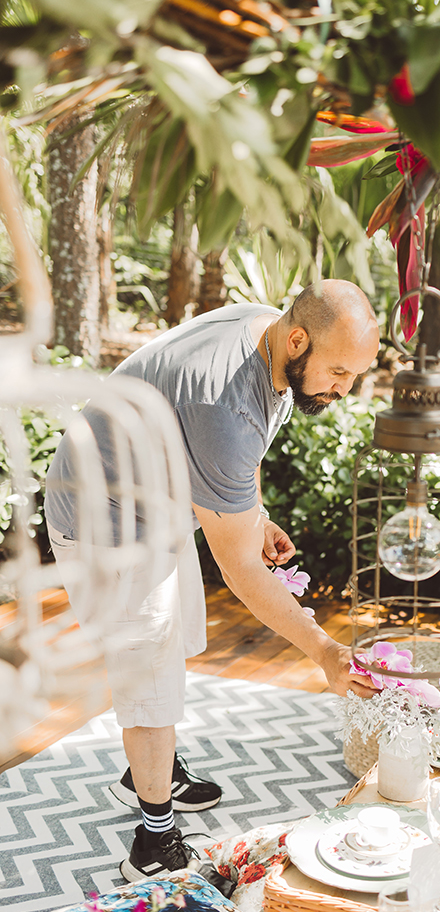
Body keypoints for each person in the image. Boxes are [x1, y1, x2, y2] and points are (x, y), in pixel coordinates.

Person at [44, 279, 380, 881]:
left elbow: (218, 456)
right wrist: (325, 652)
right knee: (148, 672)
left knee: (172, 643)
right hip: (105, 521)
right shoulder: (224, 401)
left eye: (354, 375)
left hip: (155, 501)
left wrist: (253, 516)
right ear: (298, 339)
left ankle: (150, 770)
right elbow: (242, 572)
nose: (343, 390)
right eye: (337, 372)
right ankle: (153, 842)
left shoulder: (266, 331)